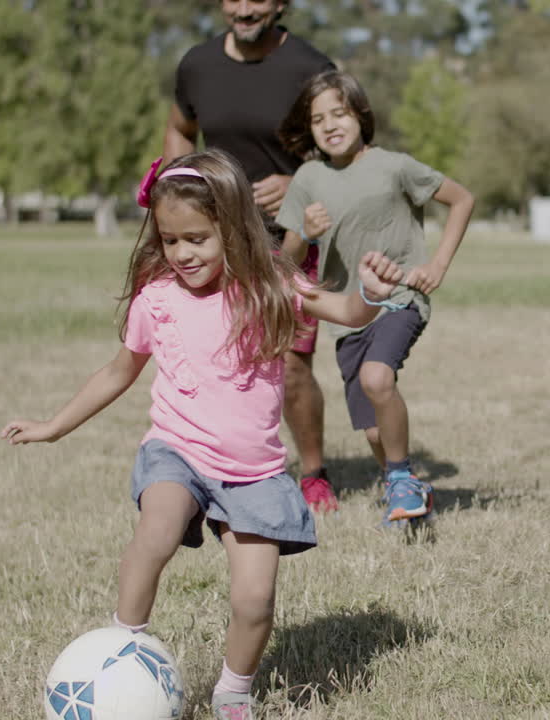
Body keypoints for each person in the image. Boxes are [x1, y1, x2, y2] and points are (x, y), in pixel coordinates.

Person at [0, 150, 405, 720]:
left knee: (255, 599)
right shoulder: (158, 299)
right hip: (178, 451)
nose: (182, 253)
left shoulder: (270, 284)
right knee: (157, 531)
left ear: (232, 228)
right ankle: (123, 650)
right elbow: (119, 371)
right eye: (169, 240)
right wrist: (53, 426)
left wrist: (367, 291)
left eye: (197, 238)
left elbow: (346, 310)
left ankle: (233, 692)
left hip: (254, 472)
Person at [276, 70, 475, 526]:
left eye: (339, 113)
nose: (329, 125)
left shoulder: (395, 166)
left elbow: (462, 199)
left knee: (377, 377)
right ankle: (404, 491)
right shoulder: (307, 178)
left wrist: (437, 265)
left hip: (401, 297)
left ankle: (402, 475)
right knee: (371, 427)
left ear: (361, 115)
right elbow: (287, 259)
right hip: (346, 315)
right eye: (318, 119)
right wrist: (304, 233)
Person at [163, 0, 340, 512]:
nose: (244, 9)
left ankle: (313, 474)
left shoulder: (310, 66)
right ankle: (217, 467)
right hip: (216, 238)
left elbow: (343, 146)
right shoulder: (197, 64)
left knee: (291, 361)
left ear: (281, 4)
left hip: (291, 237)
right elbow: (180, 127)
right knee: (215, 358)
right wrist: (174, 189)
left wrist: (298, 182)